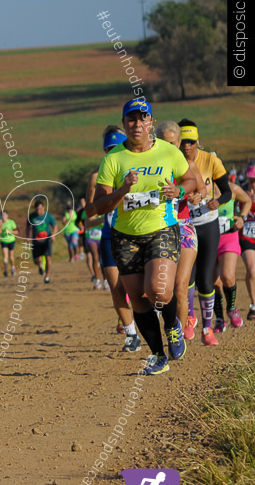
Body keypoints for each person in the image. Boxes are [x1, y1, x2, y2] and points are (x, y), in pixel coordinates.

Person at [92, 99, 196, 375]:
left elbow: (192, 180)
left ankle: (173, 325)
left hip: (161, 229)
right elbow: (99, 205)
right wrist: (122, 189)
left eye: (143, 119)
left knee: (159, 291)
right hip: (125, 237)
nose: (137, 124)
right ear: (124, 123)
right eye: (131, 119)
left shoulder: (168, 152)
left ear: (151, 122)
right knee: (137, 298)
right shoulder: (113, 159)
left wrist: (180, 191)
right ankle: (158, 355)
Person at [85, 126, 140, 351]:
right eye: (108, 148)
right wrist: (106, 209)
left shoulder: (138, 169)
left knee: (139, 287)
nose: (112, 152)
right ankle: (131, 334)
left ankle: (146, 319)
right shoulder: (98, 177)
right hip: (109, 234)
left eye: (116, 147)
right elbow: (90, 212)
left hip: (136, 232)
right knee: (115, 285)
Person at [177, 120, 232, 346]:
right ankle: (190, 318)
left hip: (208, 223)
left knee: (206, 279)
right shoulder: (173, 161)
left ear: (197, 141)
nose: (187, 146)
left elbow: (228, 192)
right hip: (184, 225)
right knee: (188, 277)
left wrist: (217, 202)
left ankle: (207, 329)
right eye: (183, 142)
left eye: (191, 142)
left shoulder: (210, 159)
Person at [153, 121, 205, 342]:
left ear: (179, 143)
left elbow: (201, 187)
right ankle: (166, 326)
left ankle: (178, 338)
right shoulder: (150, 167)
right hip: (156, 229)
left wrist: (197, 195)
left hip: (183, 228)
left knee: (180, 287)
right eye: (164, 142)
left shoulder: (186, 165)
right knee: (158, 290)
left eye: (173, 143)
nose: (170, 147)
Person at [212, 180, 252, 330]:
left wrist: (242, 217)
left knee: (227, 276)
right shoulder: (202, 189)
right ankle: (219, 319)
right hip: (209, 239)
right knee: (214, 283)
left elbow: (247, 200)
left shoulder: (232, 188)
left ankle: (232, 308)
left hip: (228, 236)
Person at [28, 200, 56, 284]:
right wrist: (28, 237)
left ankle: (47, 276)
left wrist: (53, 235)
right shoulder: (31, 216)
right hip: (36, 241)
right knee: (36, 260)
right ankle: (40, 265)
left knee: (48, 257)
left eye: (40, 209)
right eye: (37, 210)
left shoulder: (48, 216)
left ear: (43, 207)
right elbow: (28, 227)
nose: (38, 211)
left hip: (47, 240)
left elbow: (55, 226)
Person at [240, 165, 255, 321]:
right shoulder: (241, 194)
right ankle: (253, 304)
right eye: (251, 180)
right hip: (247, 238)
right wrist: (247, 201)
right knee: (252, 270)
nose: (253, 183)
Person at [0, 210, 18, 278]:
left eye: (4, 215)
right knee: (5, 256)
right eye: (2, 215)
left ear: (7, 215)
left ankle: (13, 267)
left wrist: (10, 232)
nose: (3, 216)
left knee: (11, 256)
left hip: (11, 240)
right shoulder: (0, 223)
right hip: (4, 241)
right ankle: (5, 270)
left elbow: (17, 232)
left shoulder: (11, 222)